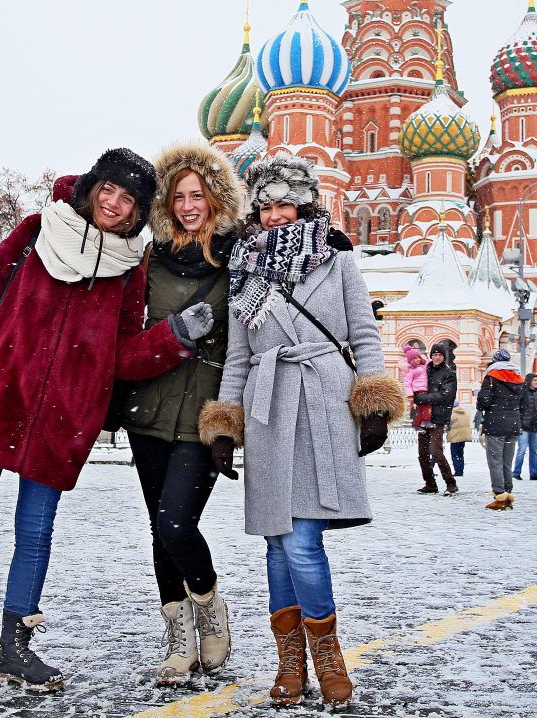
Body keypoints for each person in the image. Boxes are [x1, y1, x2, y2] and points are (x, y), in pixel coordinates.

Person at [0, 148, 211, 691]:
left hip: (65, 416)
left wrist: (174, 335)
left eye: (129, 199)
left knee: (36, 534)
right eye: (108, 190)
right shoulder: (41, 229)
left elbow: (124, 352)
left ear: (138, 212)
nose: (114, 204)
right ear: (90, 188)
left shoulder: (131, 266)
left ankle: (13, 648)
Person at [198, 155, 404, 710]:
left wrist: (375, 404)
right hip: (267, 406)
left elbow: (362, 333)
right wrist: (225, 425)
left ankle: (327, 656)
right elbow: (238, 356)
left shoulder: (337, 262)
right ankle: (290, 662)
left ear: (306, 203)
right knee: (275, 541)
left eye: (283, 203)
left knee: (303, 541)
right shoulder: (244, 271)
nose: (273, 216)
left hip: (322, 401)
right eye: (263, 206)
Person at [119, 142, 241, 684]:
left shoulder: (241, 258)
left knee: (176, 522)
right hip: (150, 408)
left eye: (197, 195)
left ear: (215, 198)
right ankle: (178, 639)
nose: (188, 205)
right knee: (158, 529)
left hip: (203, 415)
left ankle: (211, 609)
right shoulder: (149, 258)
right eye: (178, 197)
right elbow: (121, 323)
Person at [476, 349, 523, 510]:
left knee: (495, 461)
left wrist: (480, 402)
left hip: (496, 424)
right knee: (507, 463)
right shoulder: (518, 378)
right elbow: (522, 402)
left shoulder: (492, 377)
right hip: (514, 424)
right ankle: (508, 494)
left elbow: (484, 401)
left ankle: (499, 496)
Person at [411, 342, 459, 495]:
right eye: (434, 354)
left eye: (440, 355)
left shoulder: (449, 374)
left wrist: (422, 398)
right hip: (424, 416)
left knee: (436, 451)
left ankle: (451, 483)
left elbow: (446, 396)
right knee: (423, 453)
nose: (437, 357)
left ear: (444, 357)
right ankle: (430, 483)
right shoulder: (425, 369)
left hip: (438, 417)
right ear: (431, 356)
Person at [512, 373, 537, 481]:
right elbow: (517, 409)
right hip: (523, 426)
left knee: (534, 451)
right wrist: (519, 424)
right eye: (534, 380)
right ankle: (516, 473)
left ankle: (533, 474)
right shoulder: (522, 394)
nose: (536, 382)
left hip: (534, 426)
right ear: (529, 381)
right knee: (522, 450)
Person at [447, 404, 472, 475]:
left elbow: (448, 425)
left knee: (455, 454)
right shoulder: (464, 413)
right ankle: (461, 470)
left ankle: (457, 471)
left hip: (455, 436)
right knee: (461, 454)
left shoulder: (452, 414)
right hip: (463, 436)